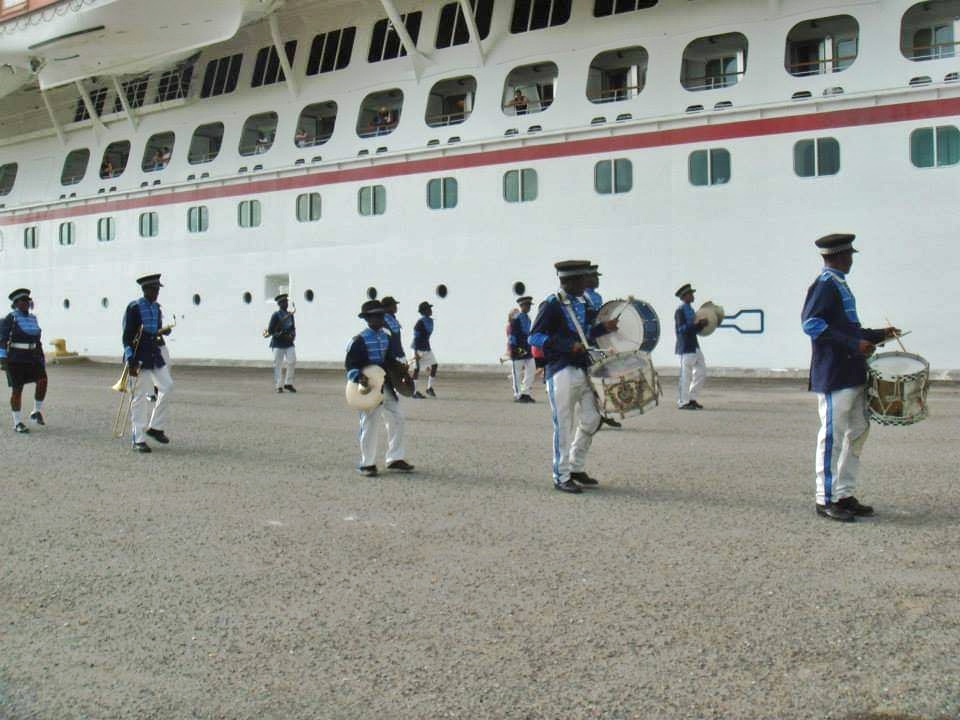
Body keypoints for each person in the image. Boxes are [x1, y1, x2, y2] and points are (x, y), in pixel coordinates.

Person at [801, 233, 898, 522]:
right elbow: (811, 324)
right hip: (834, 373)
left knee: (856, 432)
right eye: (850, 256)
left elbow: (848, 329)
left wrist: (880, 335)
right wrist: (854, 345)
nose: (852, 260)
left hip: (852, 372)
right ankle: (825, 498)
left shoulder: (838, 285)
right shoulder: (824, 286)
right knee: (831, 437)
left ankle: (844, 493)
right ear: (840, 257)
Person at [529, 260, 618, 493]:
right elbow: (535, 337)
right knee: (564, 424)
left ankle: (576, 466)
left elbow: (586, 333)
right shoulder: (551, 305)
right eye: (580, 280)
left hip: (582, 368)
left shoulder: (584, 303)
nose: (585, 283)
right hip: (560, 370)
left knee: (592, 418)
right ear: (566, 281)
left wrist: (604, 328)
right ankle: (561, 475)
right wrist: (567, 346)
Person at [345, 300, 415, 477]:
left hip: (386, 384)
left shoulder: (386, 337)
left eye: (380, 315)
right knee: (370, 422)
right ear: (367, 319)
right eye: (374, 316)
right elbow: (351, 366)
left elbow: (388, 359)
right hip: (369, 386)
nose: (378, 319)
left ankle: (394, 458)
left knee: (398, 417)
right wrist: (358, 376)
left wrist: (400, 369)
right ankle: (367, 463)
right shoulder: (358, 341)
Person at [123, 273, 173, 453]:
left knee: (167, 386)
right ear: (146, 290)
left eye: (158, 290)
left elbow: (155, 330)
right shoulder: (134, 308)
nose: (156, 293)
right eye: (154, 290)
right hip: (139, 354)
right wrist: (130, 358)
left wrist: (163, 332)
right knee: (139, 396)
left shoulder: (157, 309)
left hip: (154, 351)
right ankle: (138, 438)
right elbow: (127, 336)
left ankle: (155, 427)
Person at [0, 288, 47, 433]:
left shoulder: (33, 319)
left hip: (33, 357)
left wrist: (41, 357)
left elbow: (37, 340)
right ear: (16, 304)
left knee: (42, 381)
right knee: (17, 390)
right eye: (23, 301)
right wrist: (2, 358)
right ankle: (17, 422)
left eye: (27, 300)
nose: (26, 303)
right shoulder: (11, 318)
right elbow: (2, 339)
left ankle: (35, 411)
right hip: (16, 359)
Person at [674, 283, 707, 410]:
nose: (692, 296)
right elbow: (681, 329)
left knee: (701, 371)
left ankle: (692, 398)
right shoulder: (680, 310)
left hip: (694, 345)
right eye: (690, 294)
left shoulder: (690, 310)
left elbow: (694, 328)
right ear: (685, 296)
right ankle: (683, 401)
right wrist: (698, 324)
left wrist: (701, 325)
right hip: (686, 346)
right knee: (685, 374)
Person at [508, 296, 536, 403]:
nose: (528, 307)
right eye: (526, 305)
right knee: (517, 373)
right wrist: (513, 348)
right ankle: (518, 394)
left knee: (531, 370)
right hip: (518, 348)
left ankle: (525, 392)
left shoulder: (528, 318)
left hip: (527, 348)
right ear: (521, 306)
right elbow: (512, 334)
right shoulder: (516, 319)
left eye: (529, 305)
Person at [266, 293, 296, 393]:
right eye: (283, 302)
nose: (286, 304)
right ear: (279, 304)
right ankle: (278, 385)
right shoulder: (276, 315)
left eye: (286, 302)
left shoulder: (290, 315)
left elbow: (293, 328)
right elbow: (270, 330)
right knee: (278, 364)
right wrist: (279, 334)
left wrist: (292, 335)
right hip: (278, 343)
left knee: (292, 361)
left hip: (289, 343)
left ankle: (288, 383)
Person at [411, 301, 437, 398]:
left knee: (434, 365)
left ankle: (429, 388)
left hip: (426, 347)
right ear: (424, 311)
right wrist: (415, 353)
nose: (431, 310)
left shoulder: (430, 321)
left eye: (430, 308)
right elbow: (416, 338)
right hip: (418, 348)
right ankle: (414, 392)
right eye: (428, 309)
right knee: (416, 369)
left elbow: (427, 336)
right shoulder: (420, 323)